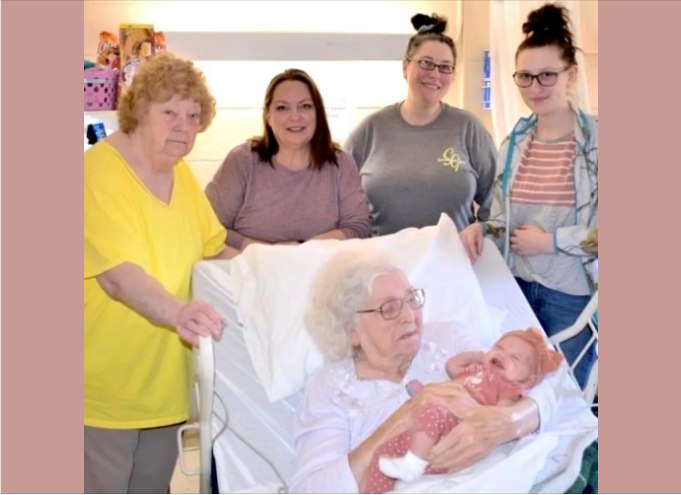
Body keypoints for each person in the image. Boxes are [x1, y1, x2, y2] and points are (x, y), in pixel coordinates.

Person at [84, 52, 236, 493]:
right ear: (138, 111)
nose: (183, 126)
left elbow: (216, 249)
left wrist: (273, 266)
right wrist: (178, 312)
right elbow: (117, 276)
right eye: (169, 112)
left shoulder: (181, 174)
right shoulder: (96, 172)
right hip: (103, 393)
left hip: (164, 391)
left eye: (193, 115)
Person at [290, 251, 558, 493]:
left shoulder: (447, 338)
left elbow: (537, 382)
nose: (409, 315)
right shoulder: (329, 388)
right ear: (352, 331)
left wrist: (510, 421)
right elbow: (311, 489)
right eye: (389, 309)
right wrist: (407, 414)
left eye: (411, 299)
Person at [459, 3, 598, 390]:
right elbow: (504, 219)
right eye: (525, 77)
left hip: (570, 294)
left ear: (571, 75)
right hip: (515, 286)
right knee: (515, 393)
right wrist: (481, 230)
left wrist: (549, 241)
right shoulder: (514, 142)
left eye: (547, 76)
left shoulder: (599, 143)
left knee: (566, 397)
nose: (535, 88)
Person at [343, 13, 496, 236]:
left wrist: (482, 233)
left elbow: (498, 202)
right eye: (426, 63)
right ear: (406, 66)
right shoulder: (370, 130)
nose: (435, 74)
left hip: (454, 263)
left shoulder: (469, 128)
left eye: (445, 67)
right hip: (384, 264)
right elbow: (337, 202)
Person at [366, 328, 563, 493]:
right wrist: (479, 356)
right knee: (383, 453)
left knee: (431, 409)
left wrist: (463, 406)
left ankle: (414, 463)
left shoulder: (509, 387)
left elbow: (493, 419)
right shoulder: (477, 369)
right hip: (429, 425)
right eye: (499, 348)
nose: (502, 355)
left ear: (527, 379)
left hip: (453, 425)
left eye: (514, 358)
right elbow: (452, 366)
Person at [205, 68, 371, 251]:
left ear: (318, 113)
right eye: (282, 108)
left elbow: (359, 228)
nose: (295, 117)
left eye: (305, 106)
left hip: (324, 274)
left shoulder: (340, 163)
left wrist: (303, 250)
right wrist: (267, 253)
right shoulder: (242, 161)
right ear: (268, 116)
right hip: (252, 273)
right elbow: (209, 226)